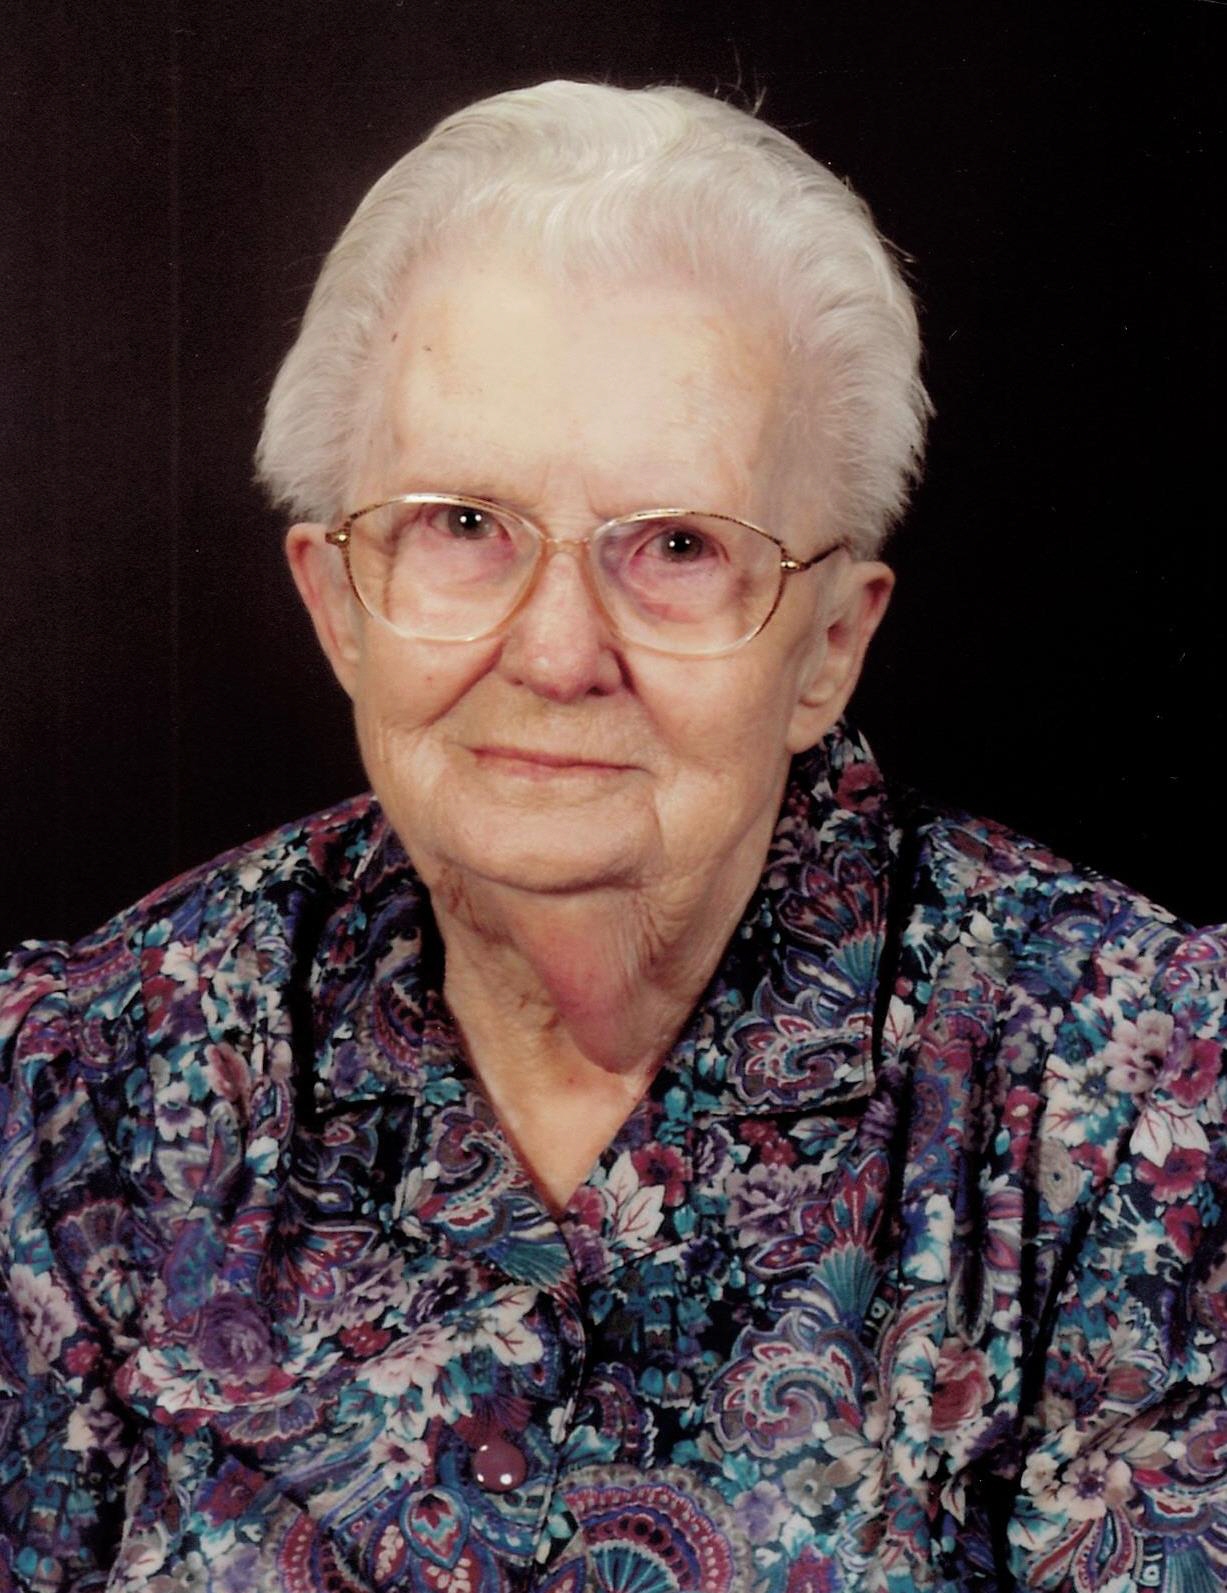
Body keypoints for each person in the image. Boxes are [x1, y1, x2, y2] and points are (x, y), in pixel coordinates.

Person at [0, 79, 1222, 1593]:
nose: (558, 650)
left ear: (831, 645)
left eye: (679, 546)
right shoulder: (79, 1091)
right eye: (462, 525)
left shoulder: (1146, 1104)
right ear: (335, 602)